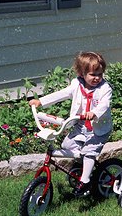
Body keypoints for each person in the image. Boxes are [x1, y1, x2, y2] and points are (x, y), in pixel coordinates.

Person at [29, 51, 113, 197]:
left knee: (89, 152)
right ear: (82, 73)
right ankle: (84, 165)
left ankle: (85, 180)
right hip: (81, 126)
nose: (97, 78)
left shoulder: (105, 88)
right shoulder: (76, 85)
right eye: (93, 74)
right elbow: (61, 94)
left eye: (100, 74)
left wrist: (94, 113)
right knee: (67, 146)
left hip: (98, 129)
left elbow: (104, 104)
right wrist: (41, 102)